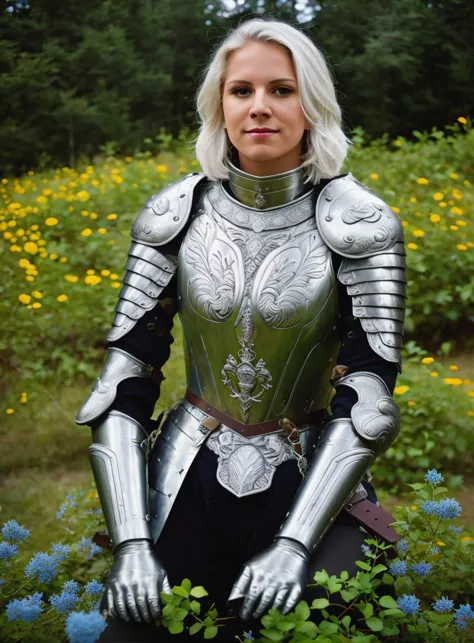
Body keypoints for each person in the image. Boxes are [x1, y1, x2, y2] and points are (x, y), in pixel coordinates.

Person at [76, 17, 406, 641]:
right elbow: (122, 385)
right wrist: (130, 543)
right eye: (241, 91)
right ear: (219, 107)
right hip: (189, 468)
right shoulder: (173, 215)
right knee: (135, 627)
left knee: (347, 621)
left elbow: (369, 398)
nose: (260, 107)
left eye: (281, 90)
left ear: (312, 106)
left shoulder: (361, 224)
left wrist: (293, 544)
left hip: (310, 472)